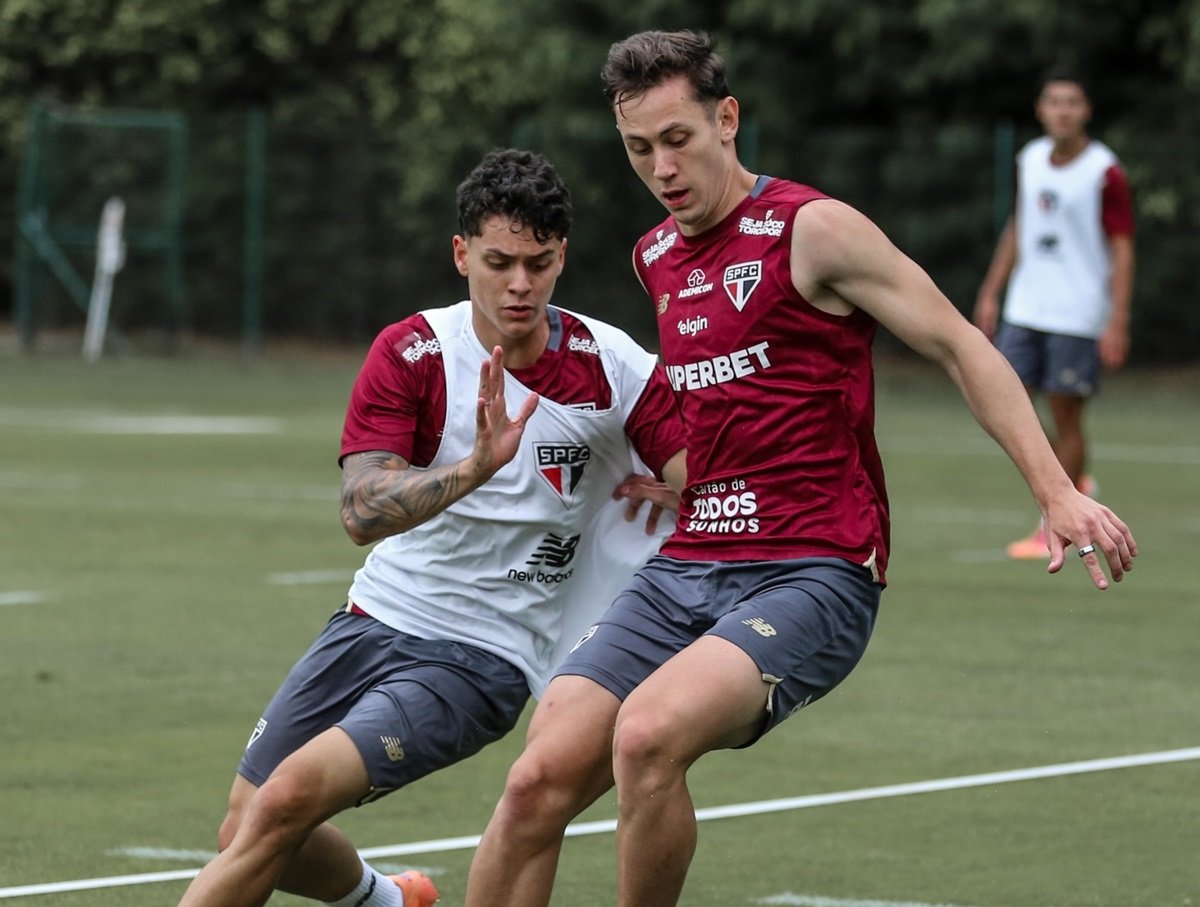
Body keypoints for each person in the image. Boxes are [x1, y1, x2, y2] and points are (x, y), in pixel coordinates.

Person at [464, 31, 1138, 907]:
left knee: (647, 735)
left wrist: (1056, 491)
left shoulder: (813, 231)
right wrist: (679, 473)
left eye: (679, 139)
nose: (662, 167)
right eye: (639, 149)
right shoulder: (656, 258)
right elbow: (724, 395)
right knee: (534, 780)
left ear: (728, 119)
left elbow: (959, 344)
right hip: (693, 560)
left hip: (814, 567)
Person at [175, 148, 686, 907]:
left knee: (285, 801)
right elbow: (360, 510)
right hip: (373, 618)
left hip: (484, 656)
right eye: (499, 261)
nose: (519, 284)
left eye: (539, 264)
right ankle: (392, 901)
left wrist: (684, 486)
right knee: (247, 825)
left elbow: (708, 466)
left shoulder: (609, 364)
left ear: (562, 257)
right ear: (460, 254)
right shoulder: (414, 351)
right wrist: (474, 468)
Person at [974, 65, 1136, 559]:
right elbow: (1019, 226)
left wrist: (1117, 319)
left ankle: (1056, 519)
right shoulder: (1031, 159)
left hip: (1077, 313)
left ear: (1085, 111)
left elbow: (1123, 247)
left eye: (1072, 102)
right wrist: (991, 291)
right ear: (1041, 109)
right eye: (1054, 101)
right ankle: (1068, 481)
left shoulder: (1104, 171)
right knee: (1003, 400)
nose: (1062, 110)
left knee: (1066, 414)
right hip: (1026, 307)